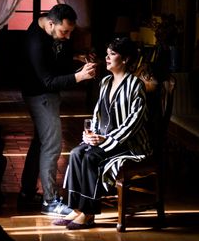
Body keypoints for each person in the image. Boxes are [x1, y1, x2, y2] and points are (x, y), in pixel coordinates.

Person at [53, 37, 151, 229]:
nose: (106, 58)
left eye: (112, 54)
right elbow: (98, 114)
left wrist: (107, 139)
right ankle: (77, 209)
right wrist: (91, 135)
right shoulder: (105, 82)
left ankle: (89, 213)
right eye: (107, 54)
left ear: (126, 59)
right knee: (76, 153)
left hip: (127, 144)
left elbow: (135, 121)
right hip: (104, 139)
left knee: (90, 158)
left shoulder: (135, 85)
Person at [18, 3, 97, 216]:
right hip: (40, 96)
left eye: (71, 32)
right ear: (51, 24)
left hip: (43, 95)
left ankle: (26, 194)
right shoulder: (35, 41)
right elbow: (48, 80)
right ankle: (50, 201)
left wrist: (76, 59)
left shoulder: (50, 29)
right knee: (52, 145)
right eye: (65, 32)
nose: (68, 37)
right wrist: (79, 77)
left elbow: (55, 62)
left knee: (40, 143)